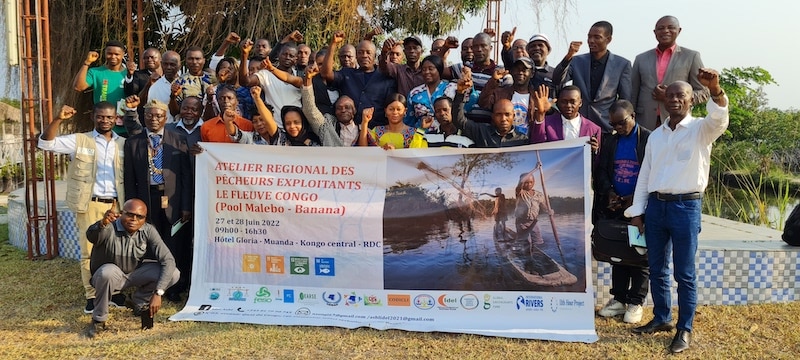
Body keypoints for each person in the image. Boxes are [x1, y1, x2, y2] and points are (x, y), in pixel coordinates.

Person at [624, 69, 729, 354]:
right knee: (657, 268)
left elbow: (720, 117)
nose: (674, 100)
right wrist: (638, 211)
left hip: (686, 207)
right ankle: (661, 318)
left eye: (680, 95)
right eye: (669, 95)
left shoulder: (701, 129)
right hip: (656, 208)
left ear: (691, 100)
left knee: (684, 273)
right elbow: (645, 174)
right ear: (662, 101)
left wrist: (716, 89)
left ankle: (684, 328)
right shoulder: (656, 136)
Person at [38, 103, 126, 314]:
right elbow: (45, 144)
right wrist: (58, 119)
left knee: (117, 251)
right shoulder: (79, 140)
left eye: (109, 117)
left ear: (116, 119)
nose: (105, 121)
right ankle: (92, 295)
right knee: (89, 251)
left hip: (117, 204)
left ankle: (114, 293)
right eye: (100, 117)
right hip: (90, 204)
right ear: (93, 117)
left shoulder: (123, 143)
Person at [123, 100, 192, 302]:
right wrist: (131, 208)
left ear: (166, 118)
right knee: (151, 244)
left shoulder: (178, 139)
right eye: (150, 115)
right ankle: (151, 285)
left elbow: (186, 176)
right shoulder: (133, 142)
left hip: (174, 200)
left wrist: (186, 206)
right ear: (144, 117)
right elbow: (129, 179)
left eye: (159, 116)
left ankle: (175, 287)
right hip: (146, 200)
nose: (154, 119)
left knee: (175, 243)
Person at [83, 198, 179, 338]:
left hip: (134, 274)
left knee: (174, 273)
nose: (134, 219)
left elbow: (168, 260)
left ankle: (138, 301)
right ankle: (98, 319)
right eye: (129, 214)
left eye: (139, 216)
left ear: (145, 219)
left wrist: (158, 293)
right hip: (112, 276)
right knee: (106, 273)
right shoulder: (109, 226)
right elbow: (91, 235)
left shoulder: (148, 230)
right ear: (122, 213)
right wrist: (102, 223)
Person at [594, 100, 651, 324]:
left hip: (640, 207)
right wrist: (609, 192)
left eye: (621, 122)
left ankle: (636, 302)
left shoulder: (648, 139)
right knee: (619, 254)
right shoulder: (611, 141)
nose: (618, 127)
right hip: (616, 205)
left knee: (639, 255)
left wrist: (634, 199)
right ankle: (618, 299)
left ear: (633, 116)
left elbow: (652, 173)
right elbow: (602, 171)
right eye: (614, 124)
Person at [631, 16, 709, 130]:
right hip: (644, 123)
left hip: (677, 122)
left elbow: (704, 92)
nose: (665, 31)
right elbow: (633, 93)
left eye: (671, 27)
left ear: (679, 30)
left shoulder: (691, 57)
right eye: (661, 28)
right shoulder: (641, 59)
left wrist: (672, 97)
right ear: (655, 32)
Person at [552, 21, 632, 132]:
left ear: (608, 39)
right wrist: (568, 57)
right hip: (579, 126)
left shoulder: (622, 64)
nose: (591, 41)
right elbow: (557, 80)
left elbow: (625, 100)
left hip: (606, 127)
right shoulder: (576, 61)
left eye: (597, 37)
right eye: (589, 37)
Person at [321, 31, 397, 127]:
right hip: (349, 130)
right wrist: (333, 44)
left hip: (376, 131)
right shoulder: (346, 74)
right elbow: (325, 74)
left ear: (374, 56)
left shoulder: (386, 78)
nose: (364, 55)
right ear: (356, 56)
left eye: (368, 52)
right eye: (360, 52)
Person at [452, 69, 528, 148]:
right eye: (499, 114)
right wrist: (460, 93)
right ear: (493, 116)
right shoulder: (481, 132)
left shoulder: (522, 140)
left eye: (507, 114)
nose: (503, 119)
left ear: (514, 116)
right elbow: (459, 120)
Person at [240, 39, 303, 127]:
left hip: (296, 128)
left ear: (296, 59)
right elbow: (245, 82)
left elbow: (288, 78)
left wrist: (272, 69)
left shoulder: (300, 76)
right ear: (278, 55)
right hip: (274, 128)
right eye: (284, 54)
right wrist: (244, 54)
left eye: (291, 56)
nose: (287, 57)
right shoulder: (265, 74)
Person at [72, 41, 127, 136]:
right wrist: (87, 62)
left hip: (125, 128)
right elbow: (78, 87)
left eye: (117, 54)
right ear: (105, 53)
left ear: (123, 54)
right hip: (102, 127)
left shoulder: (130, 74)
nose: (113, 57)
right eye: (109, 53)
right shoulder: (95, 72)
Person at [529, 85, 602, 154]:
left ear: (580, 103)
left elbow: (596, 162)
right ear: (557, 104)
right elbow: (537, 147)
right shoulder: (546, 123)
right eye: (564, 102)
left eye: (573, 102)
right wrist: (540, 114)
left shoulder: (593, 129)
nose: (568, 106)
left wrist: (594, 151)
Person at [301, 65, 359, 146]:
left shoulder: (363, 130)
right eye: (339, 108)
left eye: (347, 107)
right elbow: (310, 110)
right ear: (335, 111)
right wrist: (308, 80)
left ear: (354, 110)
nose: (343, 110)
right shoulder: (327, 126)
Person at [478, 57, 536, 135]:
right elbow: (483, 103)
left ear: (532, 73)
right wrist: (493, 81)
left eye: (524, 70)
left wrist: (550, 110)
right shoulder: (500, 93)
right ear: (511, 71)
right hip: (503, 142)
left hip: (527, 143)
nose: (520, 72)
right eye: (517, 69)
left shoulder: (537, 97)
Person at [404, 55, 457, 132]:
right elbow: (409, 121)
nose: (426, 72)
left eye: (430, 69)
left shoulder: (452, 88)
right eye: (423, 69)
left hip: (448, 134)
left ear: (439, 70)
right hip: (421, 136)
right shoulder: (414, 93)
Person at [358, 94, 429, 149]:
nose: (395, 112)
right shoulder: (377, 131)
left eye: (398, 109)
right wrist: (365, 122)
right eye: (391, 109)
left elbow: (416, 156)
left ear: (405, 111)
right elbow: (364, 150)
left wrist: (395, 153)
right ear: (385, 111)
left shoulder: (414, 133)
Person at [514, 170, 552, 268]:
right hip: (522, 222)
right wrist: (535, 169)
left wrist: (549, 211)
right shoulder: (520, 193)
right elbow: (520, 184)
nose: (528, 184)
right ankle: (529, 263)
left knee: (537, 241)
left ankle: (532, 255)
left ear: (534, 182)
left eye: (531, 182)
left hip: (534, 222)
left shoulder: (538, 194)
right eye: (526, 182)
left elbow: (544, 207)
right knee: (527, 242)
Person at [139, 51, 181, 124]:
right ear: (161, 64)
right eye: (165, 64)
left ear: (179, 65)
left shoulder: (187, 84)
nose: (168, 67)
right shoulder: (155, 87)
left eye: (172, 64)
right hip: (164, 130)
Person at [169, 47, 212, 116]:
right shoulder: (179, 82)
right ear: (186, 61)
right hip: (188, 124)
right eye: (190, 59)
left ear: (204, 60)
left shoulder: (213, 80)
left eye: (197, 59)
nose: (194, 62)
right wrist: (172, 96)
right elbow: (174, 112)